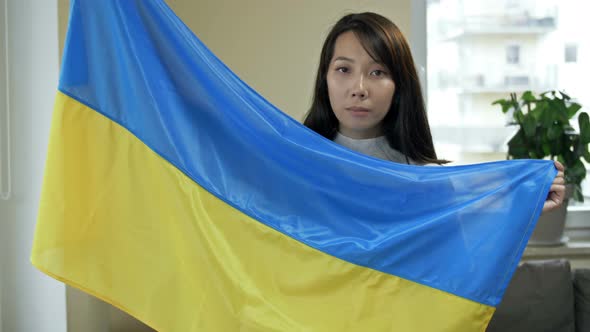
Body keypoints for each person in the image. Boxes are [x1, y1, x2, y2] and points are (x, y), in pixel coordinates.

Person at [303, 12, 565, 213]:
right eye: (343, 69)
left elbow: (453, 265)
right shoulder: (297, 164)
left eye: (378, 72)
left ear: (399, 86)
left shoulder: (425, 180)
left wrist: (523, 206)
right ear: (324, 79)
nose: (359, 89)